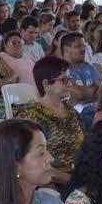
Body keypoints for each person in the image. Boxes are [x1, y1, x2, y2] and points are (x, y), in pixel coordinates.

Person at [19, 57, 84, 189]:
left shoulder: (72, 112)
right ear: (46, 84)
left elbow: (85, 147)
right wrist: (74, 181)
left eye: (69, 79)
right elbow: (34, 163)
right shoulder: (32, 115)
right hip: (50, 181)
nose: (70, 84)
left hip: (79, 175)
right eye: (64, 80)